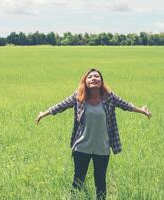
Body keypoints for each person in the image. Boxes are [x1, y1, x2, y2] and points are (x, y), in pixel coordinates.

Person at [35, 68, 152, 200]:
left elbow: (125, 105)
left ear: (101, 81)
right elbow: (61, 106)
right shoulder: (78, 96)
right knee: (78, 180)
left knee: (100, 182)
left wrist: (141, 110)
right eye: (90, 77)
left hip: (102, 147)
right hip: (82, 146)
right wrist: (43, 113)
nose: (94, 78)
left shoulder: (109, 97)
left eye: (97, 76)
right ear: (85, 81)